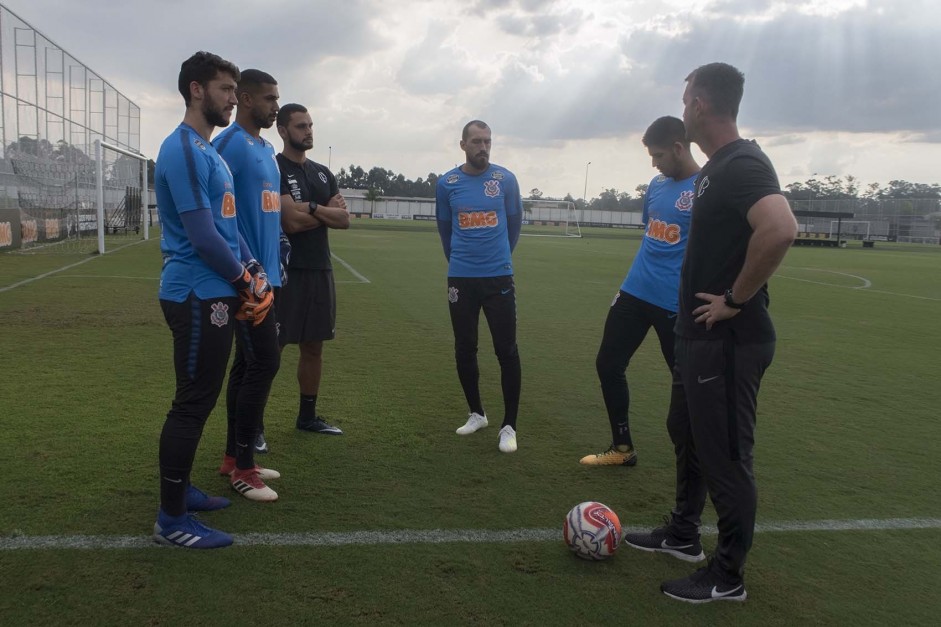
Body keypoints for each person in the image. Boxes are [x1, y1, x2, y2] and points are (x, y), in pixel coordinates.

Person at [622, 63, 798, 603]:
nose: (681, 108)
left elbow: (781, 228)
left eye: (684, 98)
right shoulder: (713, 170)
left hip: (729, 341)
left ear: (699, 104)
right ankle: (682, 535)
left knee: (726, 456)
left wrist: (735, 300)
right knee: (686, 431)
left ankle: (727, 576)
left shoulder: (742, 162)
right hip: (695, 338)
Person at [153, 51, 274, 548]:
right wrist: (245, 280)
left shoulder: (210, 153)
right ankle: (171, 520)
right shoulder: (180, 148)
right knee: (192, 403)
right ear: (197, 90)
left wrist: (256, 273)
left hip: (218, 290)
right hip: (196, 293)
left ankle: (182, 494)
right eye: (225, 89)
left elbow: (231, 227)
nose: (232, 97)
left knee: (199, 401)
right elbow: (203, 235)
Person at [580, 116, 699, 467]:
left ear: (679, 148)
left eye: (659, 155)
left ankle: (703, 457)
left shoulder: (706, 188)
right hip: (634, 291)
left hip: (674, 304)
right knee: (608, 364)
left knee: (686, 384)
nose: (654, 163)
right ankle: (622, 448)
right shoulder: (657, 185)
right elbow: (652, 231)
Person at [212, 69, 285, 500]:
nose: (275, 106)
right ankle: (244, 468)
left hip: (270, 277)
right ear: (244, 98)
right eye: (269, 98)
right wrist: (246, 274)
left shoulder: (264, 147)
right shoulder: (229, 146)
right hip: (247, 282)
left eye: (278, 98)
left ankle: (233, 458)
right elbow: (222, 216)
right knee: (263, 365)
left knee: (246, 366)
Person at [435, 120, 523, 453]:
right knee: (464, 346)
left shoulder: (505, 180)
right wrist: (461, 260)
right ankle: (477, 413)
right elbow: (445, 230)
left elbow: (514, 225)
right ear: (463, 145)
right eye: (476, 141)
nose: (483, 147)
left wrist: (498, 257)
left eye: (487, 141)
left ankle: (509, 425)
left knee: (506, 350)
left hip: (498, 276)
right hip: (461, 277)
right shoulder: (447, 183)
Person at [275, 103, 350, 435]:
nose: (308, 131)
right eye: (301, 126)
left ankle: (307, 417)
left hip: (320, 268)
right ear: (283, 130)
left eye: (310, 125)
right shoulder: (274, 167)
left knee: (314, 346)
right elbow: (289, 221)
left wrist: (313, 207)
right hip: (284, 271)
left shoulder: (323, 173)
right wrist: (323, 214)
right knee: (271, 349)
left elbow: (344, 219)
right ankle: (255, 424)